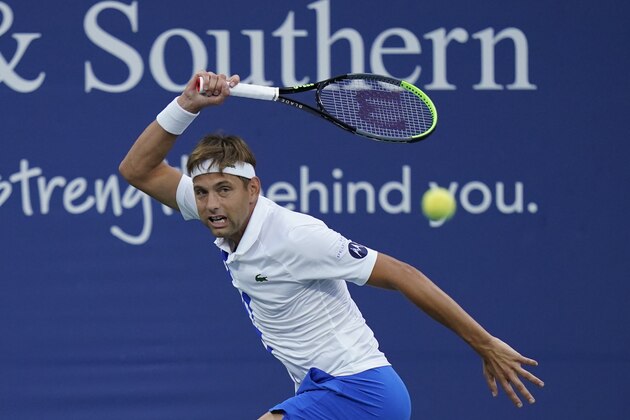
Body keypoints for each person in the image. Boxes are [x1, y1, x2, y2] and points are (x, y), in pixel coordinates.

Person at [119, 71, 544, 419]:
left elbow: (402, 275)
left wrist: (484, 344)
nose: (211, 203)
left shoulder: (295, 236)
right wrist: (186, 105)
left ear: (253, 190)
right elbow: (137, 169)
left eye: (224, 190)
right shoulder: (218, 211)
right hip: (322, 390)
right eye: (203, 191)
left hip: (363, 393)